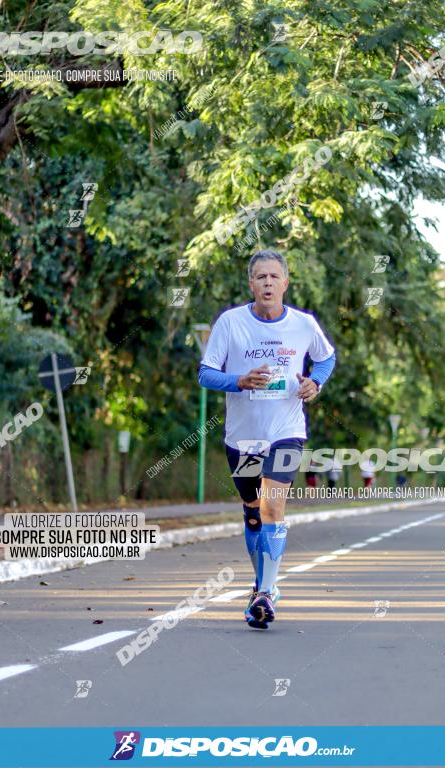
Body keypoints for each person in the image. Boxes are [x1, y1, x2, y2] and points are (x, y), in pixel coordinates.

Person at [198, 250, 336, 629]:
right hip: (243, 437)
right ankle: (261, 584)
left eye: (275, 277)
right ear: (252, 284)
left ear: (286, 283)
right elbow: (206, 375)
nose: (269, 283)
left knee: (273, 506)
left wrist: (315, 382)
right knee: (254, 511)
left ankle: (265, 592)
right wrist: (239, 380)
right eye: (261, 277)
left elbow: (326, 358)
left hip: (286, 431)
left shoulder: (304, 325)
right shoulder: (230, 323)